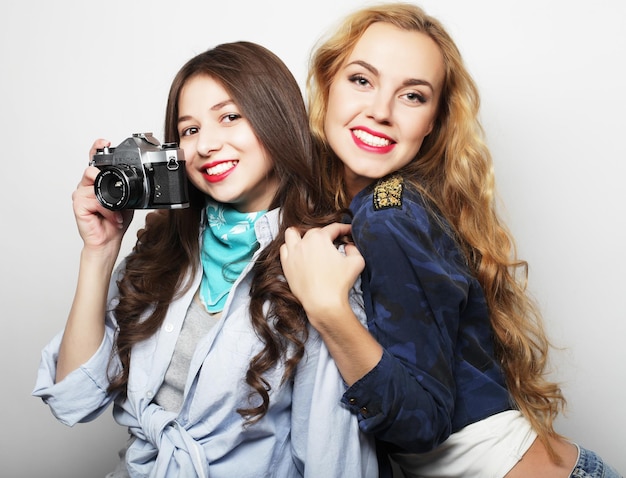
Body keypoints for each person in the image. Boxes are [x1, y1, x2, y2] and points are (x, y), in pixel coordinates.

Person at [279, 3, 622, 478]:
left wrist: (328, 310)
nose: (380, 111)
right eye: (361, 80)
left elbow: (424, 424)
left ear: (433, 121)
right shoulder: (376, 209)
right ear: (326, 86)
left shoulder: (389, 214)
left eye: (413, 96)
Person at [33, 41, 377, 477]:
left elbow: (333, 460)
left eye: (230, 117)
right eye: (190, 130)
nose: (206, 145)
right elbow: (73, 400)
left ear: (277, 121)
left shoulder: (320, 263)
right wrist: (99, 252)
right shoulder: (162, 249)